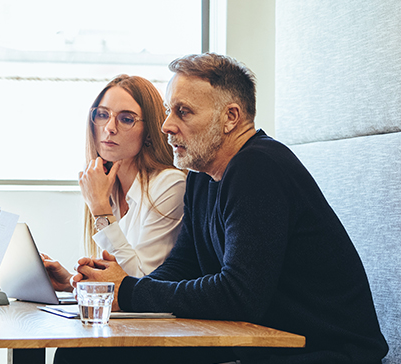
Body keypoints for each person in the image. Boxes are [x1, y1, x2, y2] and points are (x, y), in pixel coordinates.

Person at [56, 53, 389, 363]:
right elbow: (181, 267)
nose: (166, 125)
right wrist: (117, 290)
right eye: (170, 111)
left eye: (183, 112)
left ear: (231, 117)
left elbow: (239, 295)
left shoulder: (259, 167)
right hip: (265, 344)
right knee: (86, 352)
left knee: (87, 356)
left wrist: (129, 292)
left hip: (326, 353)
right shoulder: (203, 177)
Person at [42, 75, 185, 292]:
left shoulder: (170, 185)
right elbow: (113, 283)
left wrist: (101, 210)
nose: (109, 127)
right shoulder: (105, 183)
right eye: (102, 115)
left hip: (157, 323)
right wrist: (71, 283)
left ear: (149, 132)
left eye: (126, 119)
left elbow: (140, 285)